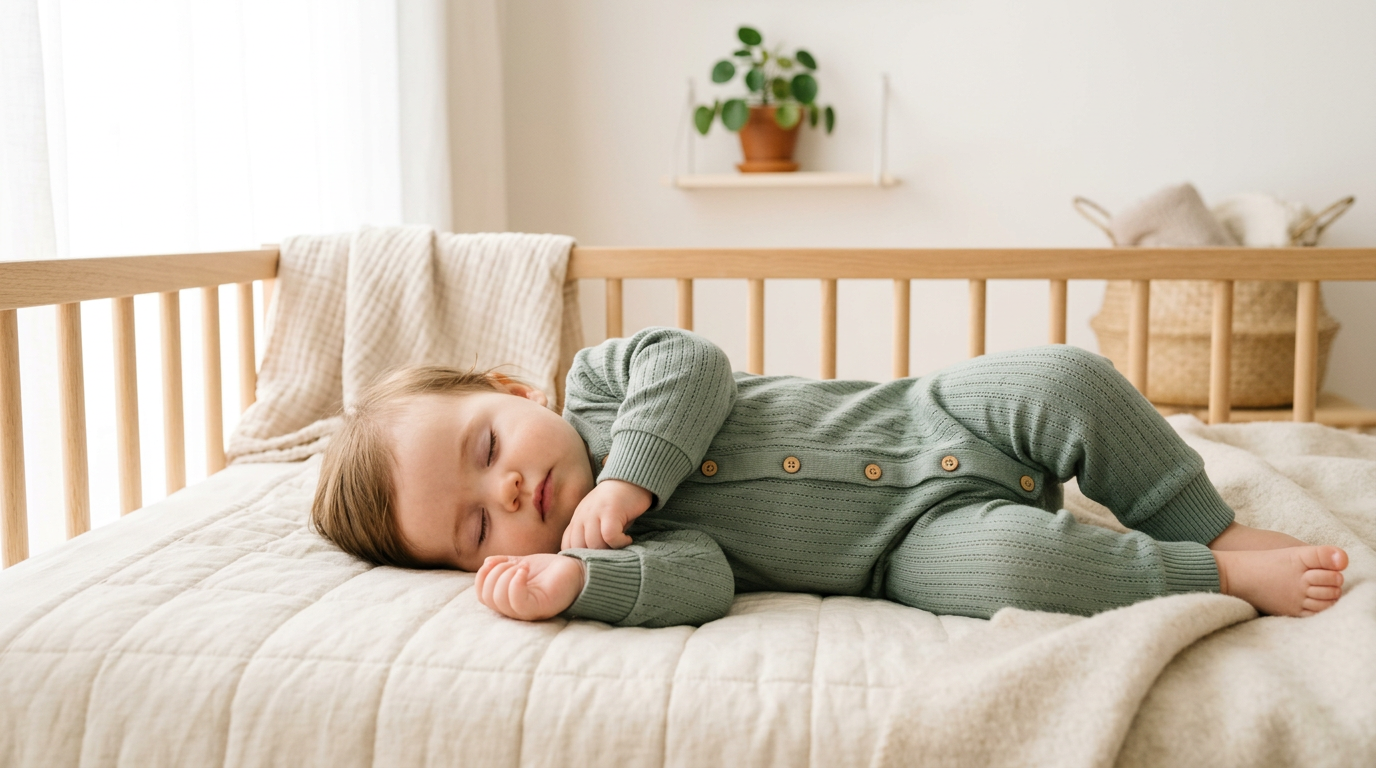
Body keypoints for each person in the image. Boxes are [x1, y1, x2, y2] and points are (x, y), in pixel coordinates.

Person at [311, 327, 1348, 628]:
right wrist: (581, 582)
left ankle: (1201, 523)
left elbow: (695, 365)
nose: (504, 497)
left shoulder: (600, 380)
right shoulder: (602, 547)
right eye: (474, 534)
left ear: (506, 386)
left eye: (486, 449)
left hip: (930, 410)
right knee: (1011, 565)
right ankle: (1195, 575)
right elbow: (703, 580)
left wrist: (628, 478)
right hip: (904, 551)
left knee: (1063, 377)